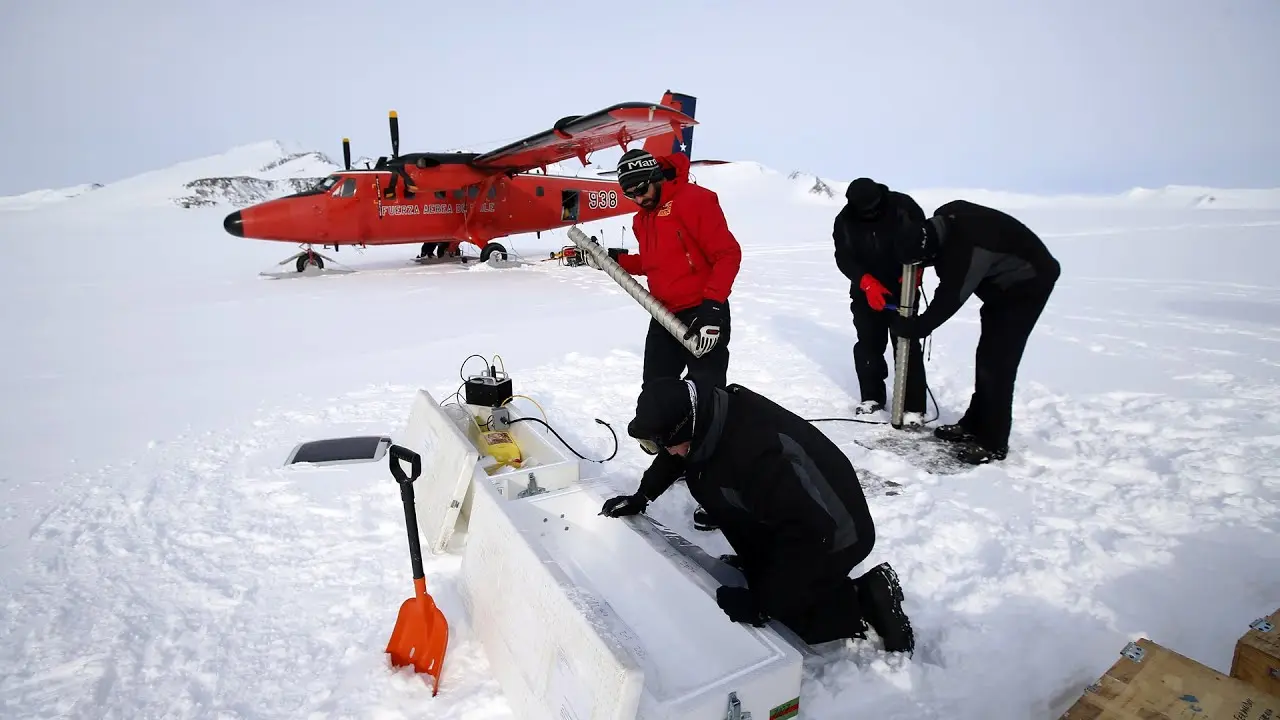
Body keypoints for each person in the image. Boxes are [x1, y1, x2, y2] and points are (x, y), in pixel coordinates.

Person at [599, 377, 915, 654]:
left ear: (686, 428)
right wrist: (644, 495)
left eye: (664, 444)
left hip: (836, 532)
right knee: (765, 577)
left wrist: (764, 604)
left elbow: (809, 533)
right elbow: (675, 453)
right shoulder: (705, 417)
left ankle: (867, 597)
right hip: (790, 519)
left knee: (791, 617)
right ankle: (766, 572)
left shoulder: (755, 454)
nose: (666, 452)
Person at [611, 147, 744, 531]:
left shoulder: (695, 201)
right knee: (657, 392)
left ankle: (718, 489)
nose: (638, 199)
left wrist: (714, 307)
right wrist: (616, 259)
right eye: (630, 194)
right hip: (663, 315)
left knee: (707, 400)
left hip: (703, 312)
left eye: (641, 190)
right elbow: (655, 264)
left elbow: (727, 254)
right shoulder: (642, 219)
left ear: (656, 177)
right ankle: (680, 458)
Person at [889, 200, 1060, 465]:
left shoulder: (968, 252)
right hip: (1000, 282)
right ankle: (973, 424)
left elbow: (950, 297)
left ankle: (993, 442)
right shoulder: (946, 216)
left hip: (1027, 285)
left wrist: (916, 327)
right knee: (987, 356)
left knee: (998, 363)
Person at [833, 178, 929, 423]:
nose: (870, 214)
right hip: (866, 291)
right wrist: (865, 282)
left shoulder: (903, 207)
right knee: (868, 343)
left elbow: (925, 241)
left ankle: (913, 408)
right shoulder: (844, 221)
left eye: (874, 208)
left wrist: (917, 271)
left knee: (906, 343)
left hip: (902, 286)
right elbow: (844, 257)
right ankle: (872, 398)